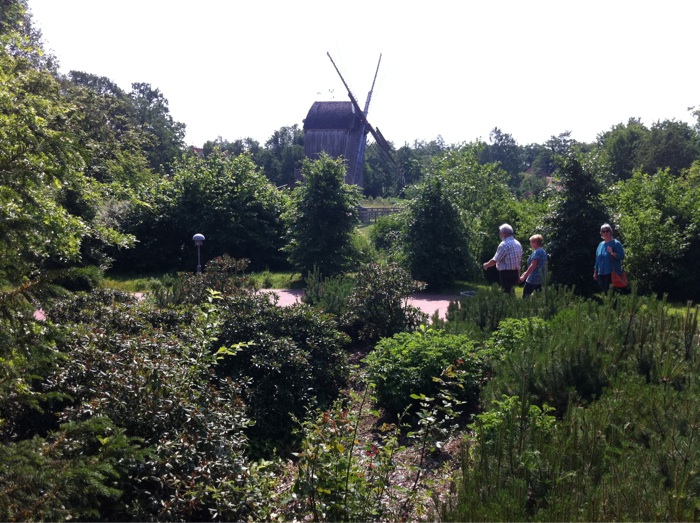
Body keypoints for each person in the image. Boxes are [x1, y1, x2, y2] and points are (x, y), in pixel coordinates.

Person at [483, 223, 523, 294]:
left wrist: (486, 265)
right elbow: (519, 261)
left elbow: (495, 260)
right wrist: (518, 275)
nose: (500, 234)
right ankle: (514, 304)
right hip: (515, 273)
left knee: (506, 293)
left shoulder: (504, 244)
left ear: (504, 233)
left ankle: (506, 305)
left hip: (506, 273)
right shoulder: (518, 244)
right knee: (511, 292)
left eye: (500, 233)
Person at [593, 223, 625, 292]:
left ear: (610, 232)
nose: (605, 233)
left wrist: (612, 253)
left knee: (611, 294)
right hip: (601, 273)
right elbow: (597, 260)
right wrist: (595, 272)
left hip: (611, 273)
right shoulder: (600, 244)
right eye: (603, 231)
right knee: (604, 294)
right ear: (601, 233)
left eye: (607, 231)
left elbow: (622, 256)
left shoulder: (616, 243)